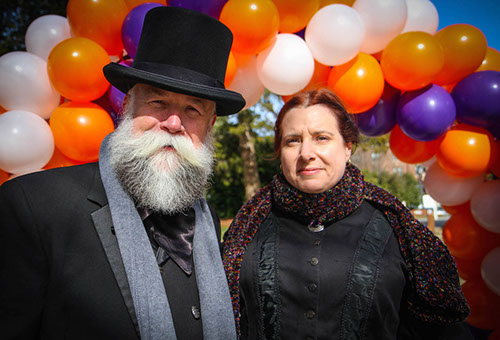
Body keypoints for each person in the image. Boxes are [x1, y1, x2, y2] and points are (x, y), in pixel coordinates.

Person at [0, 7, 245, 340]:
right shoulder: (33, 205)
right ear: (128, 104)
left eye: (193, 110)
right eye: (158, 102)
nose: (173, 123)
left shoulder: (207, 217)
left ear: (210, 124)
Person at [222, 88, 472, 340]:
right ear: (280, 152)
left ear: (347, 148)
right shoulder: (249, 225)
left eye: (321, 138)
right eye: (293, 140)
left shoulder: (395, 226)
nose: (306, 153)